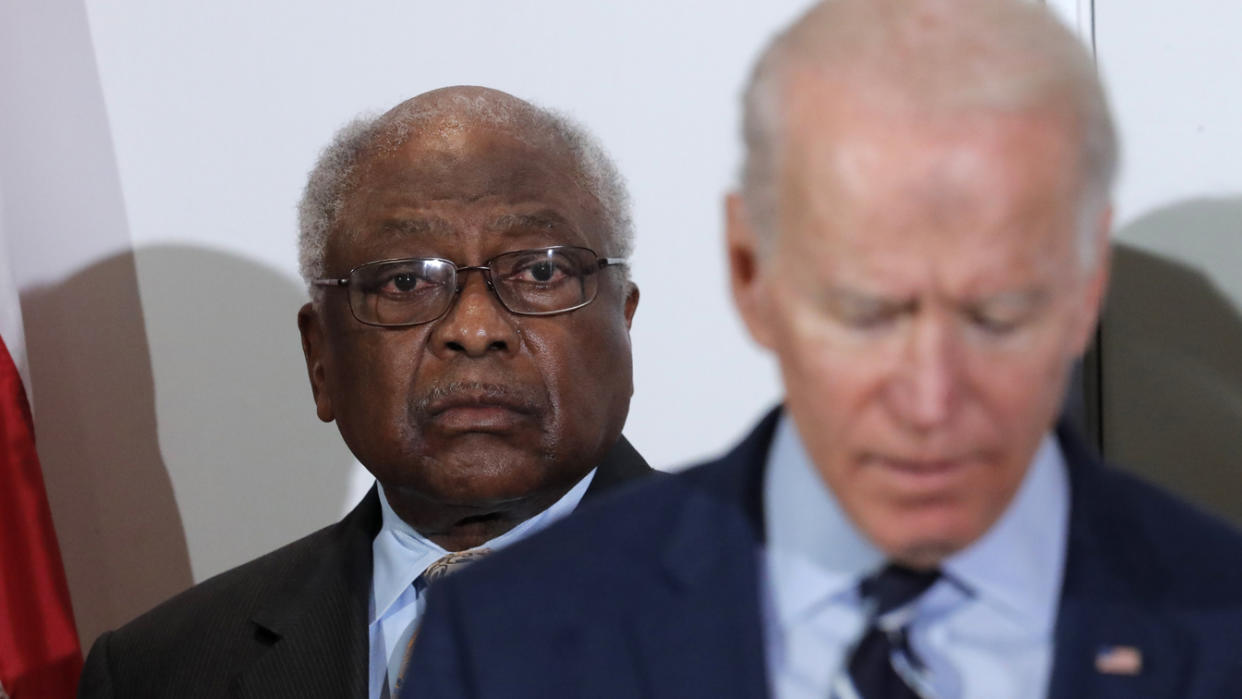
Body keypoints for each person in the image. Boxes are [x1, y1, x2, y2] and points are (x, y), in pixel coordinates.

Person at [405, 2, 1242, 697]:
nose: (929, 398)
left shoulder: (1223, 622)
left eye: (997, 314)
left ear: (1085, 283)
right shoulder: (509, 639)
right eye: (865, 311)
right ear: (750, 270)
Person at [76, 86, 651, 698]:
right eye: (405, 280)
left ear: (624, 321)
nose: (475, 330)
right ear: (319, 357)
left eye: (540, 271)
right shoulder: (157, 672)